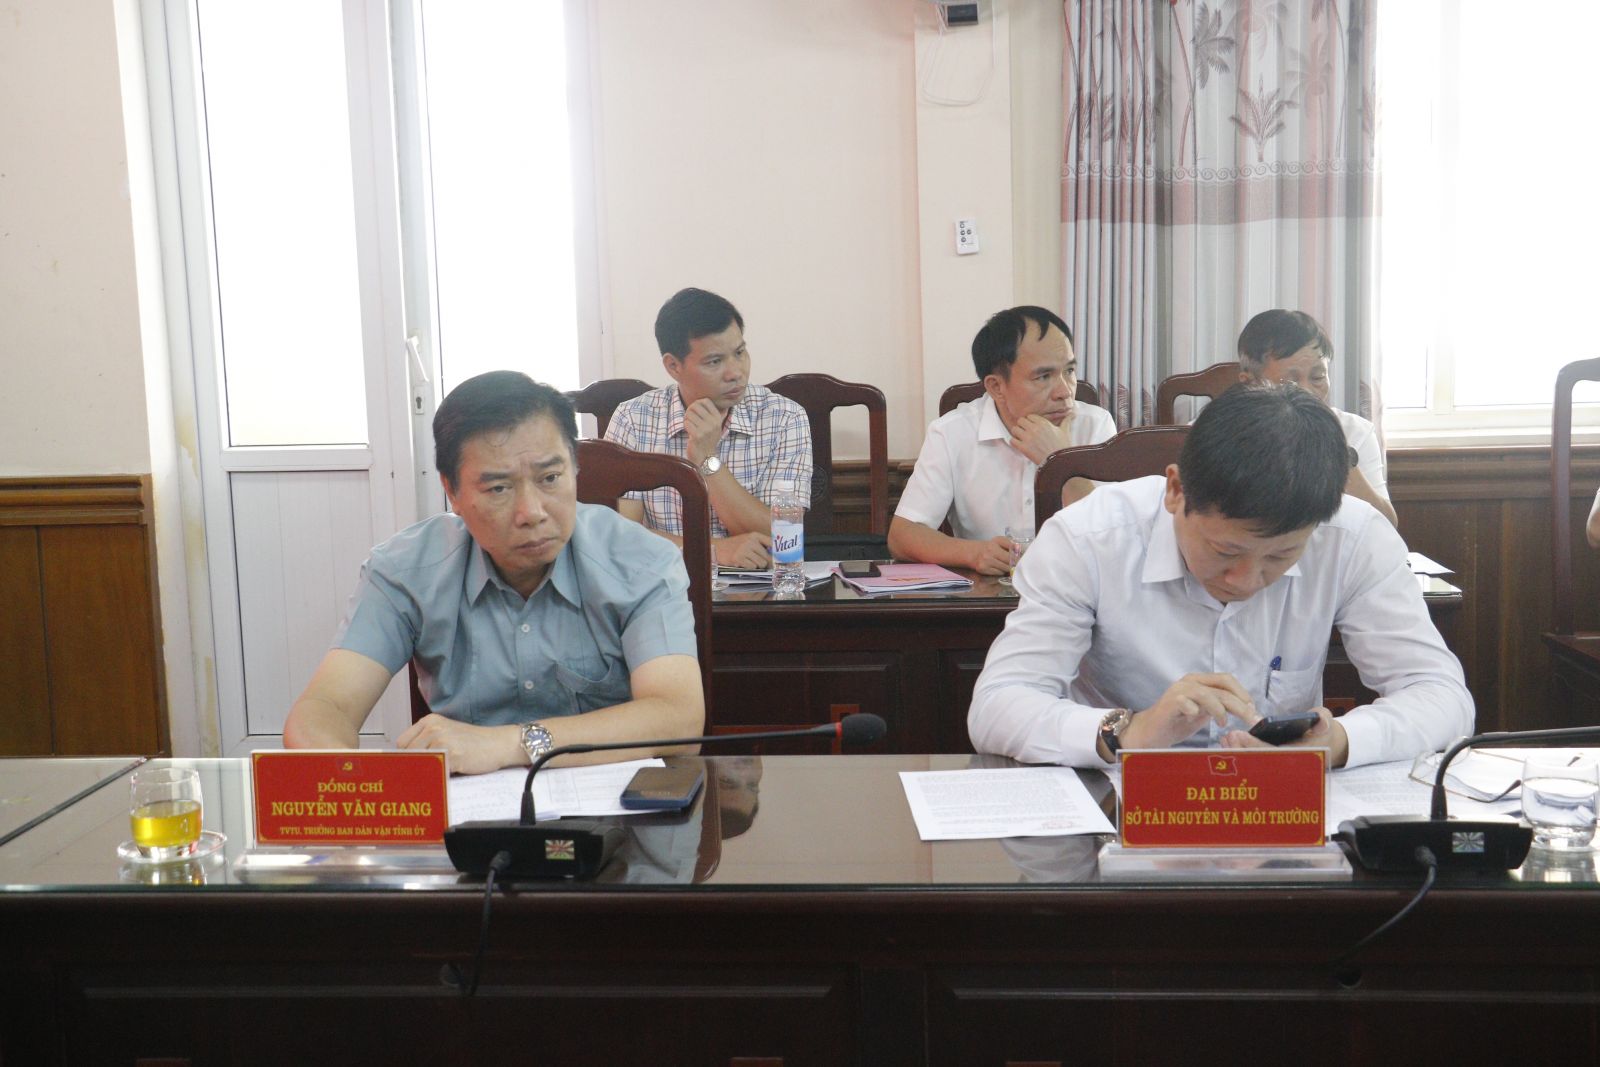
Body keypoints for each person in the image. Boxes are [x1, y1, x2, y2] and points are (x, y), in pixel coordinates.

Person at [968, 384, 1472, 770]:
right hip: (1121, 805)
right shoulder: (1087, 539)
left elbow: (1441, 695)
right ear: (1175, 491)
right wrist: (1130, 732)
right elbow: (997, 706)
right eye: (1225, 551)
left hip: (1281, 813)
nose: (1246, 581)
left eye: (1281, 556)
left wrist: (1338, 742)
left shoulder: (1354, 537)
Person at [283, 372, 704, 774]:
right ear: (452, 491)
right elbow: (324, 709)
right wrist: (355, 781)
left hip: (616, 813)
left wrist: (509, 745)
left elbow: (678, 717)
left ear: (575, 468)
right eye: (499, 488)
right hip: (468, 814)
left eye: (550, 477)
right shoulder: (405, 570)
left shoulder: (641, 561)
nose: (532, 512)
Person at [888, 306, 1117, 574]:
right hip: (993, 590)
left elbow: (1116, 539)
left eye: (1069, 371)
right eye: (1044, 377)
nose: (1064, 392)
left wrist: (1059, 463)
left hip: (1079, 587)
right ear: (996, 387)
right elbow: (902, 536)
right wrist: (974, 553)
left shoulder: (1094, 426)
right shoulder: (952, 433)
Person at [605, 288, 813, 570]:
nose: (735, 372)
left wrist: (707, 458)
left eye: (739, 352)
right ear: (673, 366)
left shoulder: (784, 417)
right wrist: (713, 551)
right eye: (715, 361)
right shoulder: (633, 419)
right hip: (661, 585)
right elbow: (619, 537)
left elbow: (781, 536)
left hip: (761, 588)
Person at [1236, 309, 1399, 527]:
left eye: (1318, 377)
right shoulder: (1215, 435)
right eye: (1289, 382)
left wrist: (1338, 455)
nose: (1307, 392)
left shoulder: (1355, 432)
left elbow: (1385, 525)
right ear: (1249, 383)